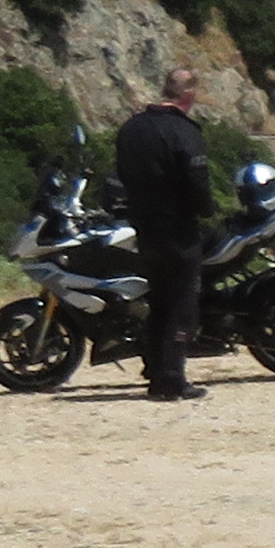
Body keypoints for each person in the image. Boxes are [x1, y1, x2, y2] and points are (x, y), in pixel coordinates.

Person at [113, 65, 214, 404]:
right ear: (190, 94)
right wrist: (206, 209)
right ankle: (171, 378)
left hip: (144, 227)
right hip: (177, 228)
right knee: (181, 303)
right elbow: (197, 181)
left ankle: (155, 369)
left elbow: (122, 174)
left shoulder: (132, 129)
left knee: (158, 300)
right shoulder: (183, 132)